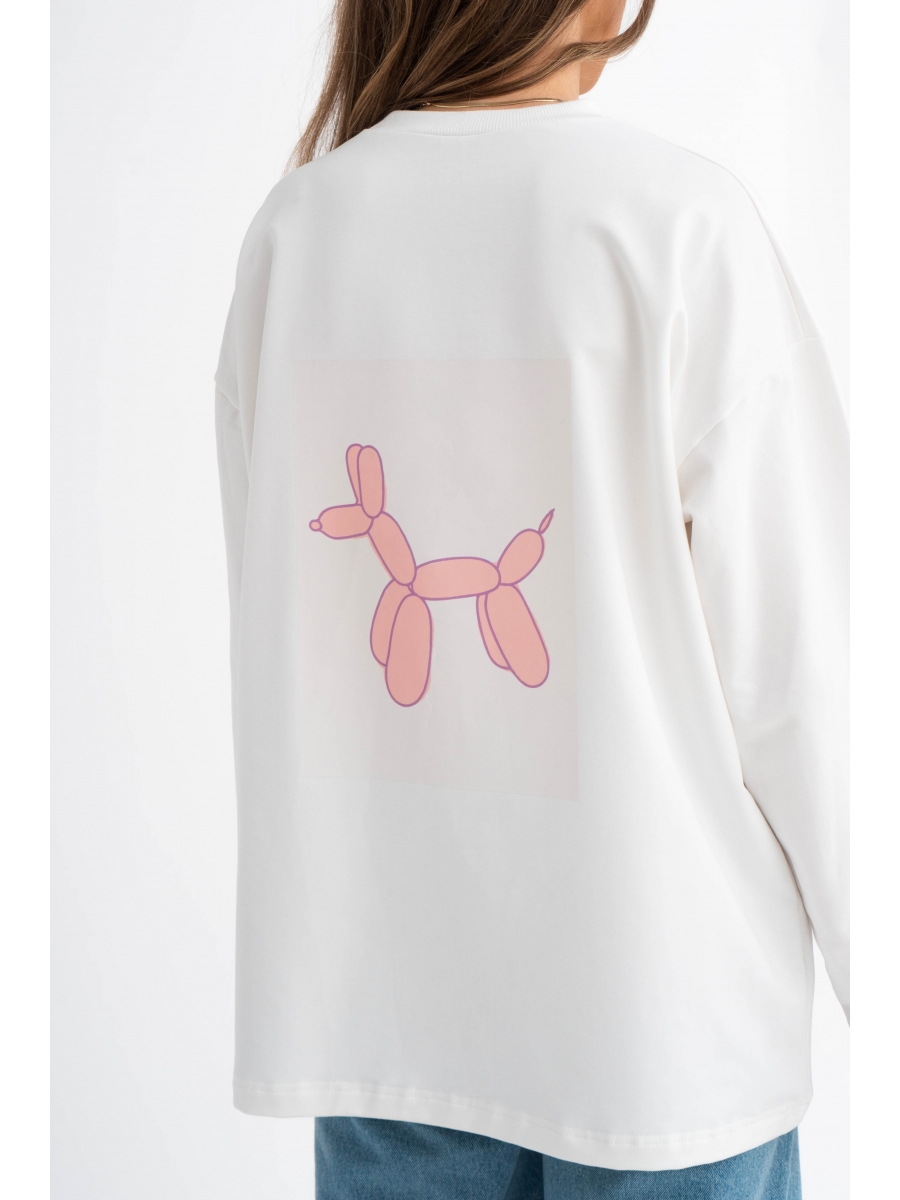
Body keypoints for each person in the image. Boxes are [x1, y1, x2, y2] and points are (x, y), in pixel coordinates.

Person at [215, 1, 848, 1195]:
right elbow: (805, 674)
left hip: (388, 1026)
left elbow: (280, 629)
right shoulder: (675, 223)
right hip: (661, 1036)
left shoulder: (295, 236)